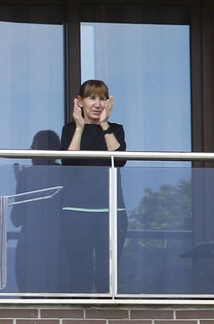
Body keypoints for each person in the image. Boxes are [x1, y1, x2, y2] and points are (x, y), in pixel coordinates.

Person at [59, 80, 128, 291]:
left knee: (108, 275)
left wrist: (104, 125)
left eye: (102, 99)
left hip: (112, 210)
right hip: (76, 211)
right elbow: (69, 165)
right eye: (92, 98)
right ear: (80, 101)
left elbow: (119, 160)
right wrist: (79, 128)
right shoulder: (70, 129)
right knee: (80, 274)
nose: (97, 104)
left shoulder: (116, 129)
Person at [11, 129, 65, 293]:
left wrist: (20, 183)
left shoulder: (27, 175)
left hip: (31, 246)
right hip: (60, 246)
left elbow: (16, 219)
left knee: (30, 297)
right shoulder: (65, 173)